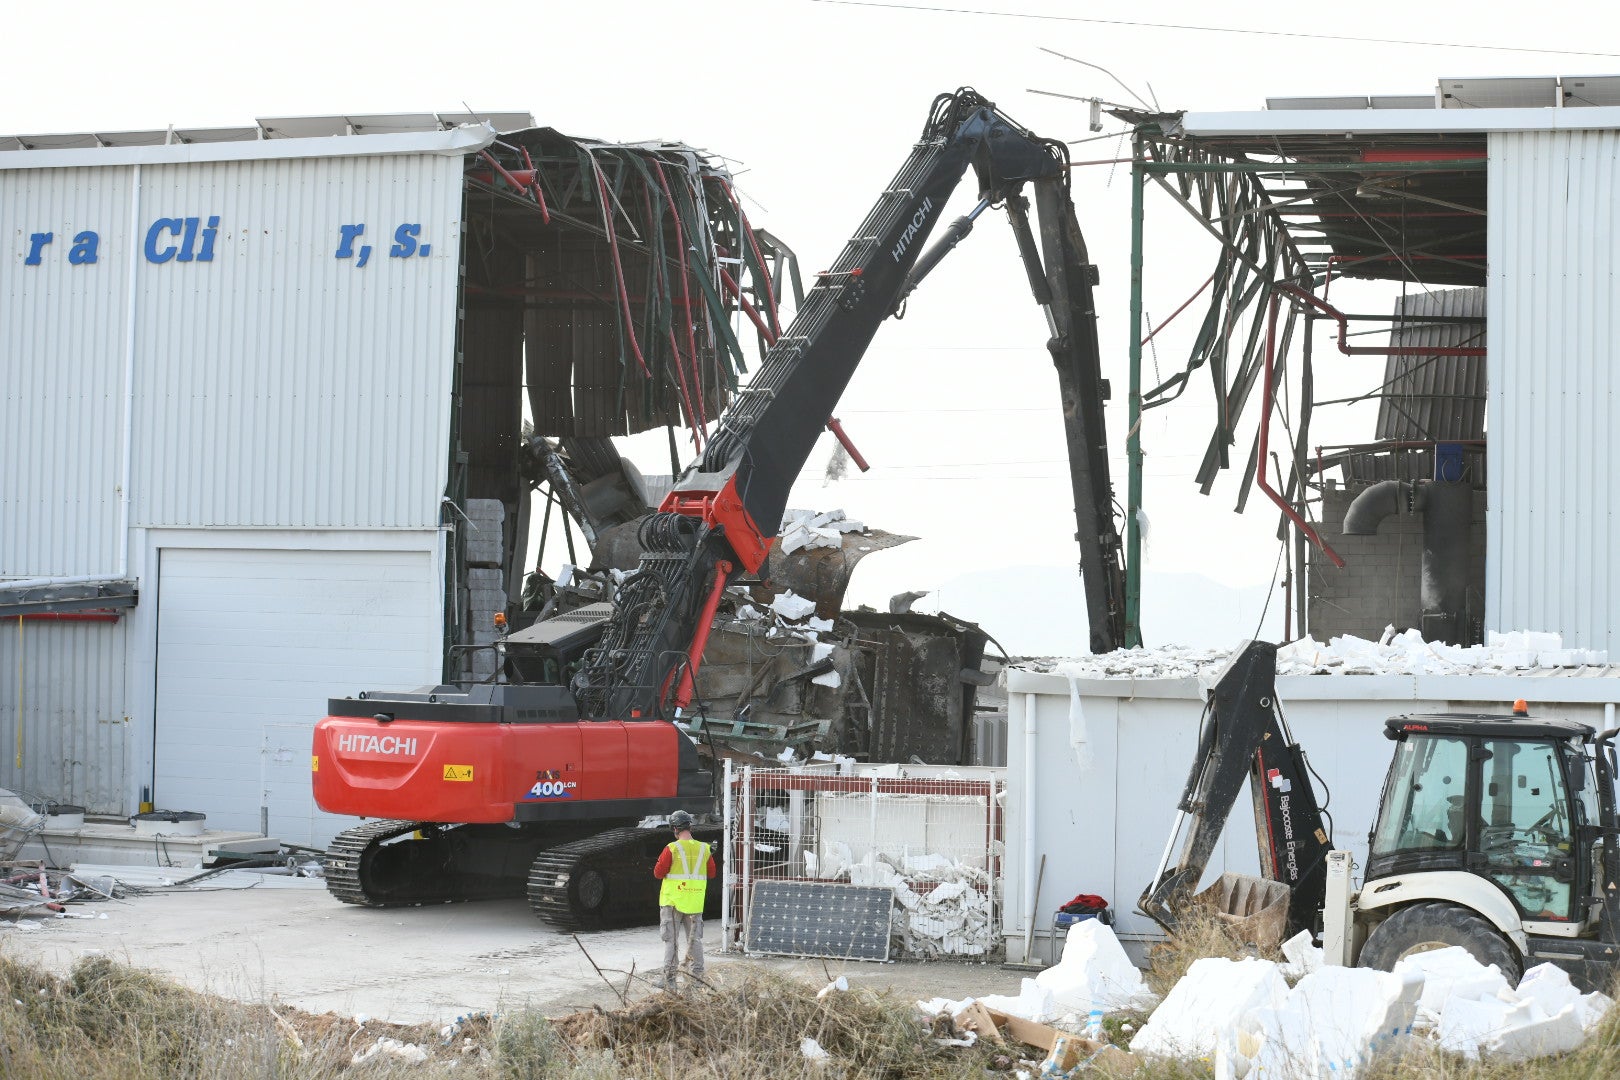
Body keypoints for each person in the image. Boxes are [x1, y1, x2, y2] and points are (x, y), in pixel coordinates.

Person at [653, 809, 715, 989]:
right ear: (689, 826)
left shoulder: (672, 848)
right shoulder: (704, 848)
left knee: (671, 941)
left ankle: (669, 980)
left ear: (674, 828)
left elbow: (658, 873)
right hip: (694, 903)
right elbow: (712, 873)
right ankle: (698, 979)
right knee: (694, 941)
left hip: (672, 902)